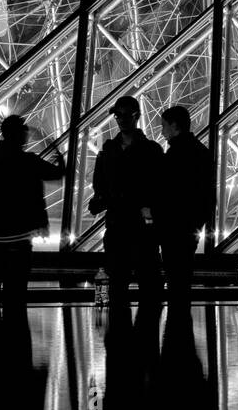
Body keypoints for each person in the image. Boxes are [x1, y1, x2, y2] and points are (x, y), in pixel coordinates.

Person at [0, 113, 65, 307]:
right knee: (17, 290)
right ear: (20, 134)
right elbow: (57, 174)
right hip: (20, 234)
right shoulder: (29, 161)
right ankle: (16, 330)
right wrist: (59, 157)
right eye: (25, 130)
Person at [87, 94, 164, 302]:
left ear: (137, 116)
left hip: (139, 226)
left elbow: (159, 188)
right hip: (119, 224)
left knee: (147, 284)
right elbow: (99, 184)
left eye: (125, 115)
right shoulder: (110, 150)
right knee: (119, 284)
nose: (120, 119)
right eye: (117, 116)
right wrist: (99, 200)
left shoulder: (150, 151)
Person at [156, 104, 214, 300]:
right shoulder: (203, 153)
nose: (162, 131)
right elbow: (208, 198)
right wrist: (197, 224)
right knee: (182, 282)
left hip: (173, 229)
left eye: (164, 126)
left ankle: (177, 325)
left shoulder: (173, 155)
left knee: (175, 281)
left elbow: (165, 194)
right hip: (190, 229)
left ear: (174, 126)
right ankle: (180, 324)